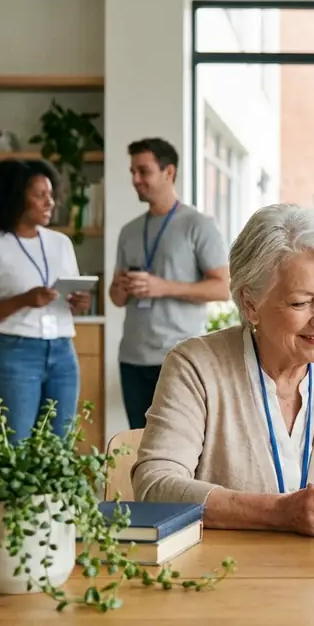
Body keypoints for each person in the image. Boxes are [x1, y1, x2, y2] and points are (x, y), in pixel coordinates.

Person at [131, 204, 314, 536]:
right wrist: (278, 512)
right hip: (226, 577)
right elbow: (154, 486)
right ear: (250, 304)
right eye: (301, 302)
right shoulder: (197, 366)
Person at [0, 158, 90, 442]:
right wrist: (24, 299)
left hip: (62, 353)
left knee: (61, 448)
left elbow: (68, 300)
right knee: (14, 447)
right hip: (14, 354)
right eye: (39, 195)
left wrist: (77, 304)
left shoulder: (61, 243)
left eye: (50, 195)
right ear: (14, 197)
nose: (50, 203)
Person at [110, 138, 231, 430]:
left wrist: (162, 287)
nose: (136, 180)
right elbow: (115, 296)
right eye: (132, 172)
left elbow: (223, 287)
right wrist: (123, 288)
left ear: (169, 173)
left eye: (143, 171)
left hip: (179, 357)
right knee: (138, 446)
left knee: (181, 445)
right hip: (133, 358)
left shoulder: (198, 225)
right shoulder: (129, 231)